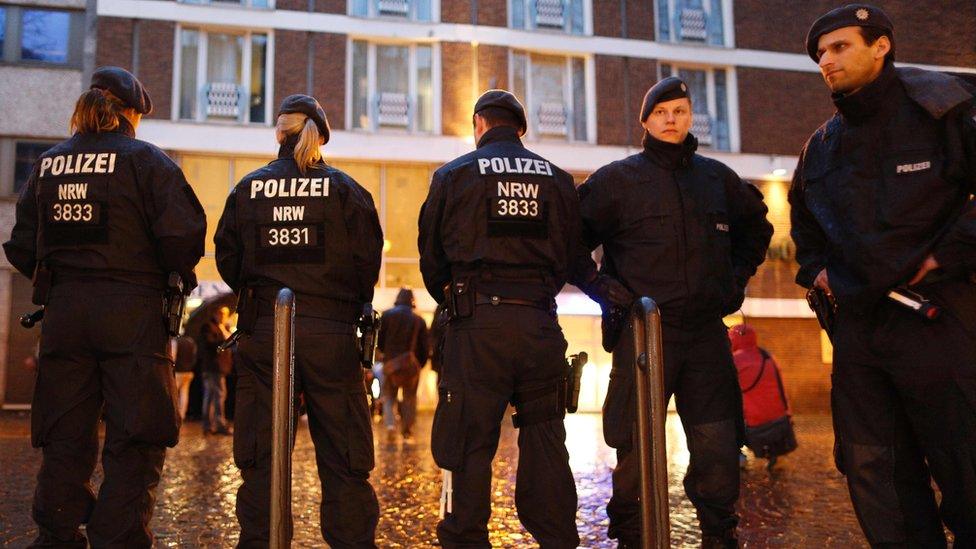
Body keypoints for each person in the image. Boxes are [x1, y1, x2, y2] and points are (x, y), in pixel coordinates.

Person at [790, 4, 976, 545]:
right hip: (859, 333)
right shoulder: (822, 145)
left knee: (965, 465)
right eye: (820, 53)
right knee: (878, 476)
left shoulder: (944, 107)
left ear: (881, 45)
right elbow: (805, 232)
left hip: (938, 320)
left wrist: (947, 257)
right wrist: (817, 273)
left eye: (839, 46)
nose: (826, 60)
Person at [2, 66, 206, 547]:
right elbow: (182, 237)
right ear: (131, 112)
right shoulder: (148, 162)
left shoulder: (49, 163)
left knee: (64, 435)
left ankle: (57, 535)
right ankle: (119, 538)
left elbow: (20, 245)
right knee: (136, 435)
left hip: (65, 312)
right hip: (132, 314)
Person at [418, 89, 624, 549]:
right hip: (538, 327)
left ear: (478, 124)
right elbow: (574, 256)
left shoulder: (453, 176)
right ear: (521, 130)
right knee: (546, 444)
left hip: (476, 331)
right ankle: (557, 540)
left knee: (467, 449)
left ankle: (464, 541)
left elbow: (431, 259)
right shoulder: (555, 179)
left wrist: (457, 302)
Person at [578, 77, 772, 548]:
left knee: (717, 447)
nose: (672, 120)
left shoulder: (716, 179)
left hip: (706, 336)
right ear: (645, 121)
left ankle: (719, 536)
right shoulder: (616, 180)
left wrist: (735, 280)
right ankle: (632, 537)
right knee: (636, 450)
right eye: (662, 112)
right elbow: (568, 241)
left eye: (681, 111)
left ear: (690, 118)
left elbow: (757, 230)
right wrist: (603, 288)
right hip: (644, 335)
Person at [214, 93, 383, 548]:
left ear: (279, 133)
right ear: (320, 137)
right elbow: (368, 262)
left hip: (265, 330)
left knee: (262, 460)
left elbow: (228, 260)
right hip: (331, 334)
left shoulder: (249, 188)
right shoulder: (347, 190)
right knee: (346, 460)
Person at [728, 324, 796, 469]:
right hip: (778, 419)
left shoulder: (735, 361)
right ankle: (773, 456)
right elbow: (782, 388)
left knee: (727, 421)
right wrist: (788, 413)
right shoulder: (768, 357)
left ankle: (739, 457)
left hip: (753, 424)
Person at [377, 287, 429, 442]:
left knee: (389, 396)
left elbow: (380, 342)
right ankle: (407, 430)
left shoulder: (386, 315)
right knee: (409, 398)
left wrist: (385, 356)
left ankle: (391, 426)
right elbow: (423, 347)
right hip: (410, 366)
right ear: (412, 300)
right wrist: (420, 364)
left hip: (391, 365)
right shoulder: (418, 320)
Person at [198, 305, 233, 435]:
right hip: (213, 367)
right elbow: (209, 344)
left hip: (219, 367)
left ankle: (211, 424)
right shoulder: (209, 327)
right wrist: (223, 342)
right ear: (216, 314)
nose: (224, 317)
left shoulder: (223, 327)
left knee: (215, 395)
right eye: (222, 314)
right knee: (216, 395)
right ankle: (216, 423)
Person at [174, 332, 198, 421]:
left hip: (178, 371)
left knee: (174, 394)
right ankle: (182, 415)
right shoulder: (191, 342)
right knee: (184, 394)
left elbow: (173, 357)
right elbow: (194, 356)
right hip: (188, 371)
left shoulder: (176, 341)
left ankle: (174, 414)